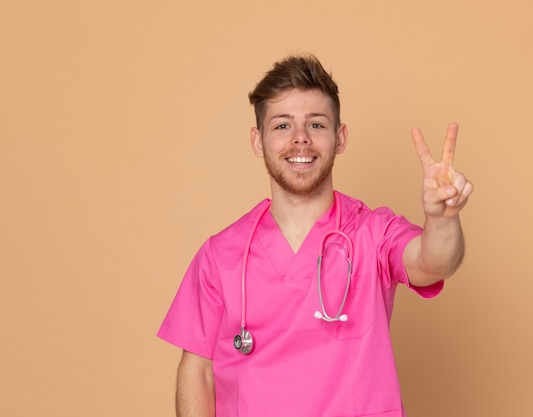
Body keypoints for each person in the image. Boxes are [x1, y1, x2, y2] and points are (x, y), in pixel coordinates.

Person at [157, 54, 473, 417]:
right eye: (282, 126)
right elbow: (198, 369)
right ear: (258, 141)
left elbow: (433, 262)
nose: (300, 139)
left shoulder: (373, 233)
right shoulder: (220, 255)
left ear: (340, 138)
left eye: (317, 125)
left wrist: (442, 219)